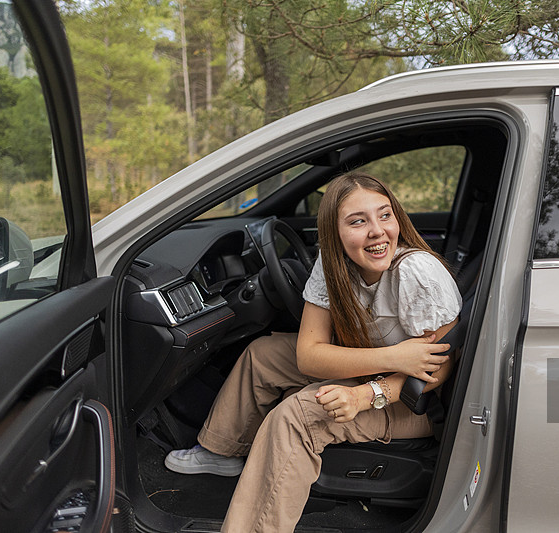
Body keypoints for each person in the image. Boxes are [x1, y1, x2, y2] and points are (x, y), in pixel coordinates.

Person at [165, 171, 462, 532]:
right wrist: (394, 356)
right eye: (358, 221)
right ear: (334, 233)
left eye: (385, 215)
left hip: (417, 401)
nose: (378, 231)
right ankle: (221, 451)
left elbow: (439, 371)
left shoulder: (416, 272)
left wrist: (364, 396)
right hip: (387, 366)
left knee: (299, 415)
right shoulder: (332, 265)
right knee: (266, 354)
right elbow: (308, 354)